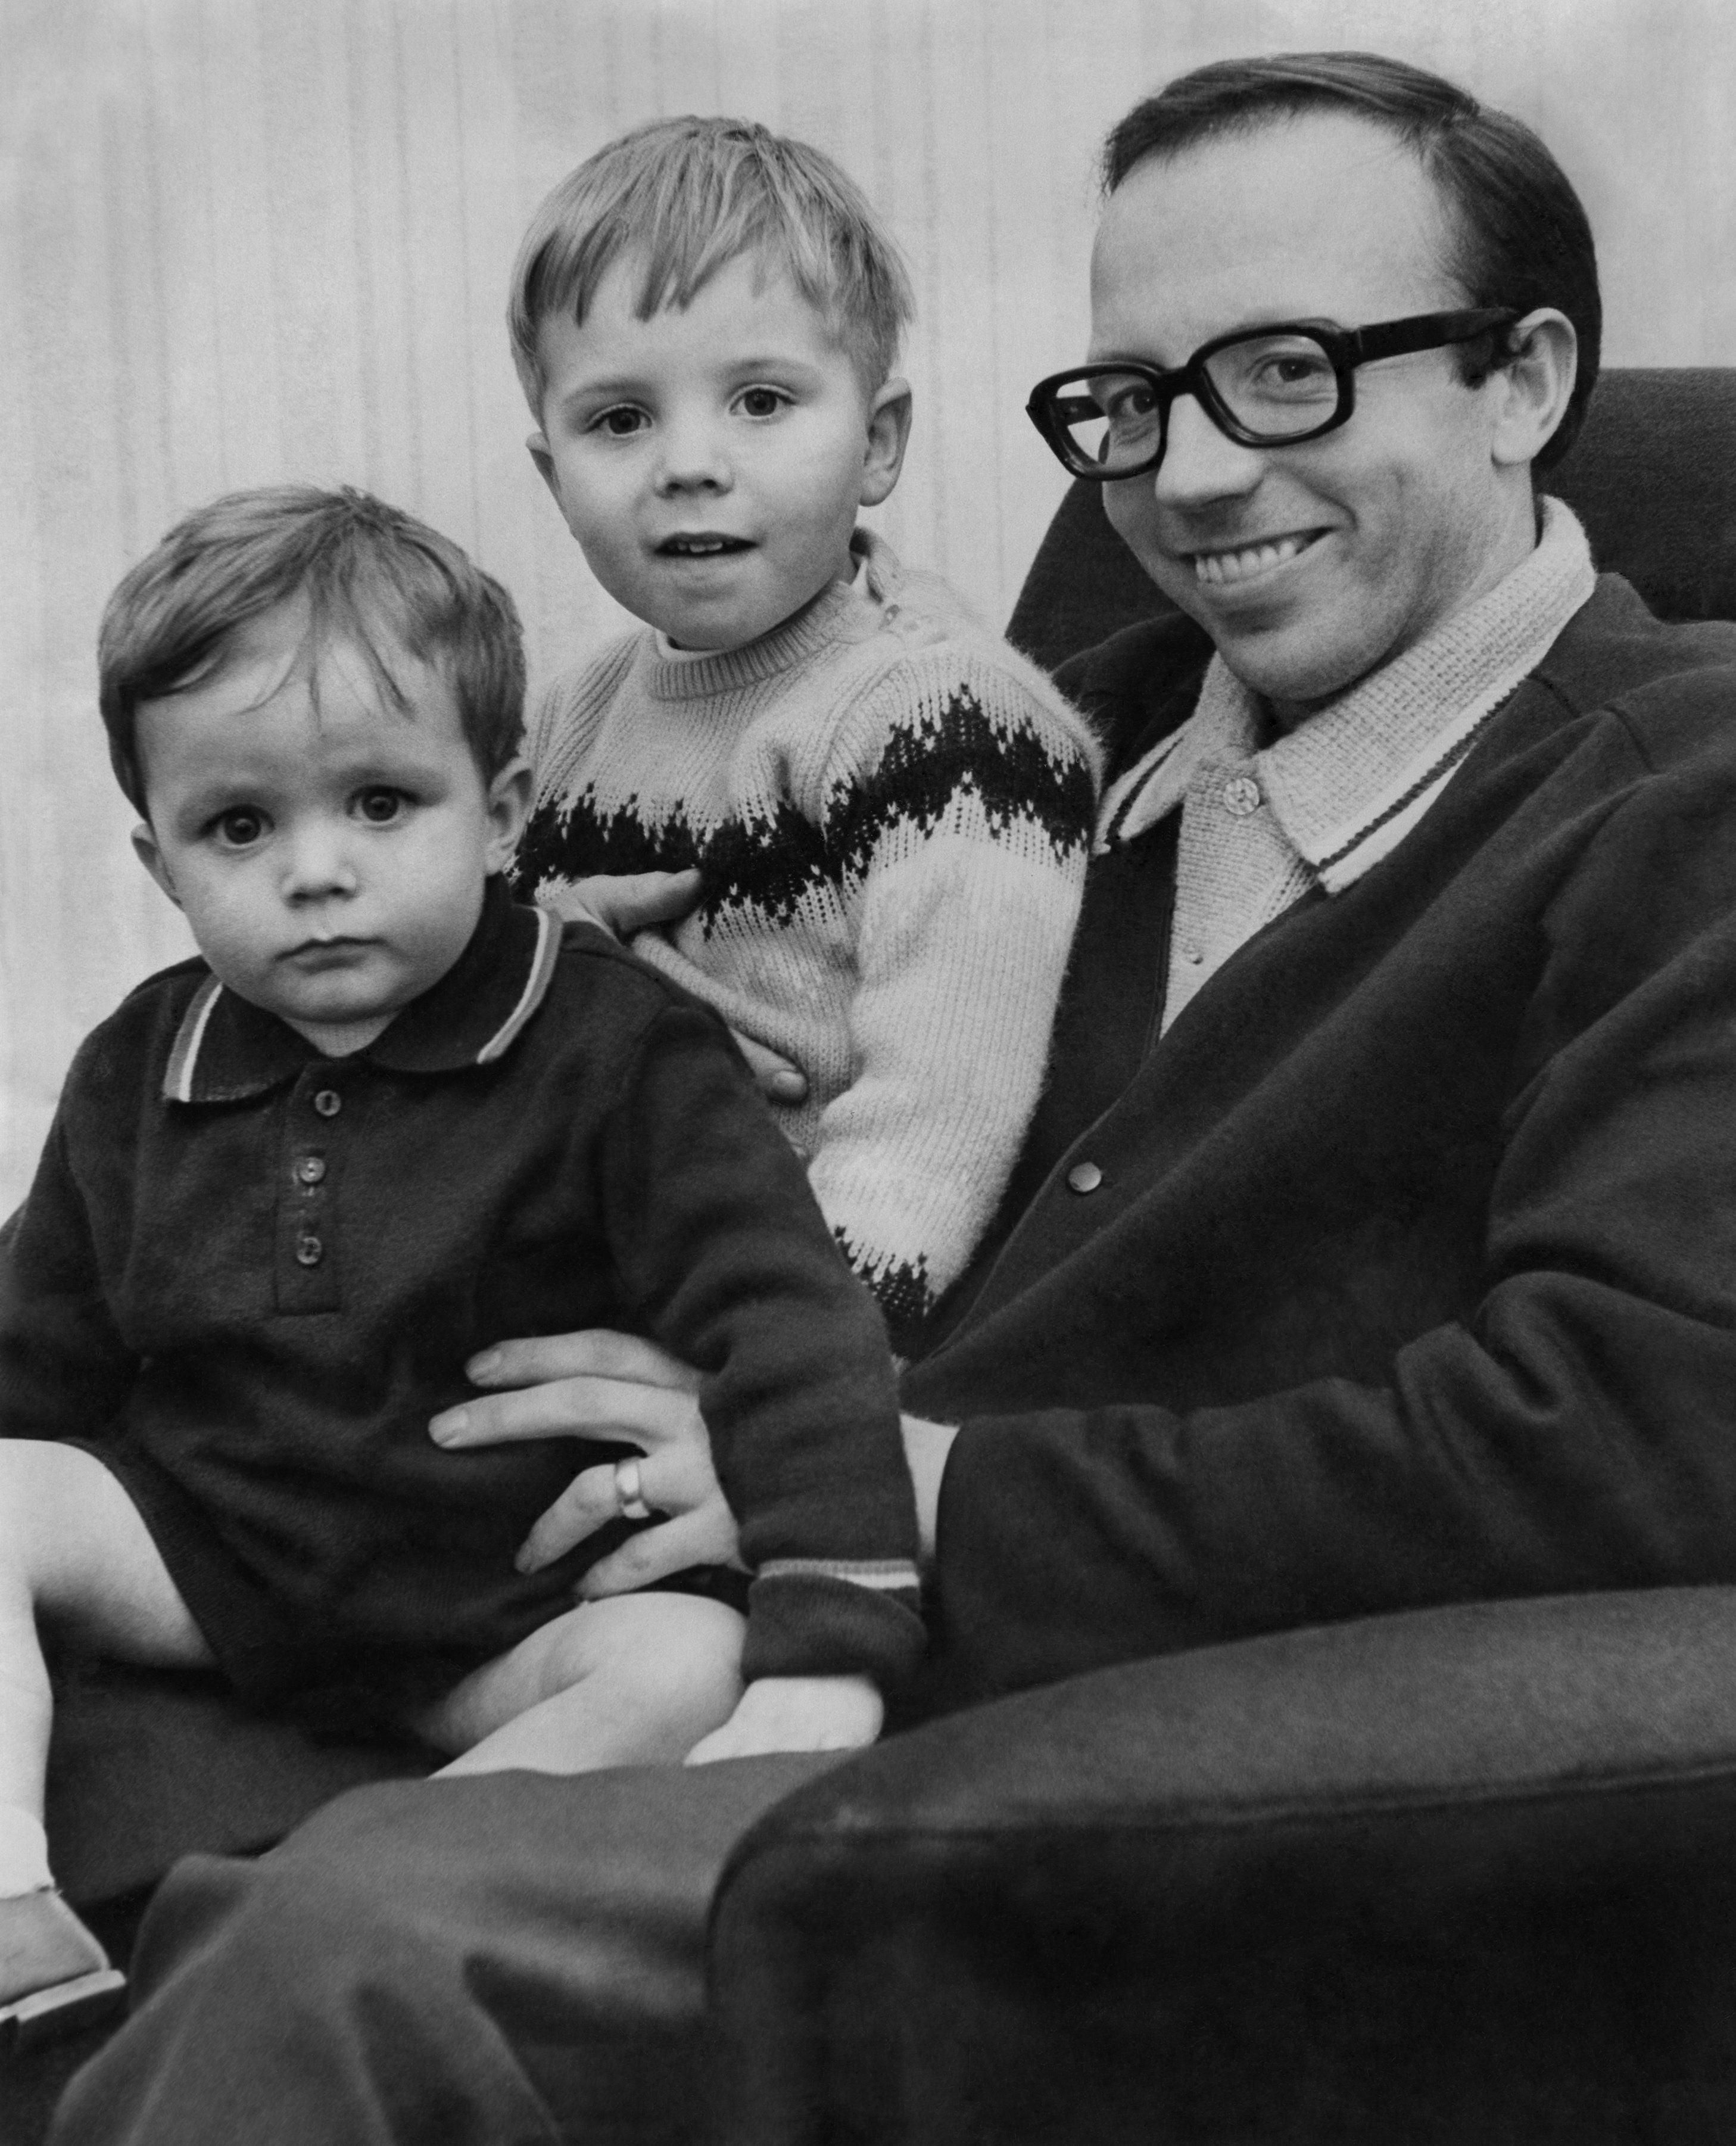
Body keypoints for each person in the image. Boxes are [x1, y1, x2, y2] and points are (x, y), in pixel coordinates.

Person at [46, 49, 1736, 2145]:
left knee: (339, 1940)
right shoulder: (1019, 735)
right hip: (712, 1611)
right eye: (1129, 395)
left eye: (1286, 371)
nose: (1192, 475)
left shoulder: (1684, 796)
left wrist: (888, 1478)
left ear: (1520, 375)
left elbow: (1648, 1438)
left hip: (1124, 1747)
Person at [0, 485, 928, 2044]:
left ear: (499, 811)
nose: (315, 869)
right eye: (242, 825)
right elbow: (36, 1348)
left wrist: (835, 1636)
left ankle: (339, 1892)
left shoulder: (615, 1049)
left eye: (379, 803)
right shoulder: (141, 1065)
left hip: (501, 1599)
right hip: (222, 1558)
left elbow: (787, 1319)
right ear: (159, 862)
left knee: (686, 1656)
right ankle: (14, 1910)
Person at [505, 117, 1100, 1351]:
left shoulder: (947, 722)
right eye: (618, 421)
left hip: (784, 1337)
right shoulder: (569, 717)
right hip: (563, 1279)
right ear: (550, 469)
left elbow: (939, 1118)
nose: (689, 464)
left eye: (762, 400)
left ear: (878, 442)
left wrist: (784, 1380)